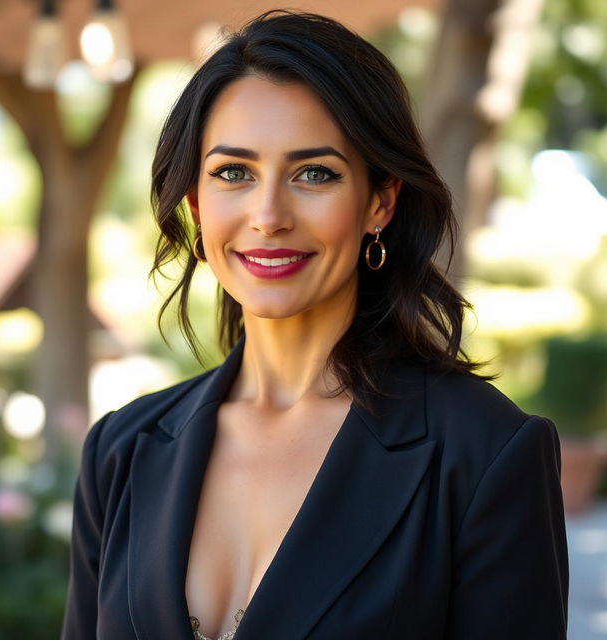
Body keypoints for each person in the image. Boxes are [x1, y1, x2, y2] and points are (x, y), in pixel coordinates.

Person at [61, 10, 568, 640]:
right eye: (233, 173)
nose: (268, 215)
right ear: (196, 205)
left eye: (314, 174)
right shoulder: (121, 451)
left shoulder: (485, 454)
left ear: (380, 202)